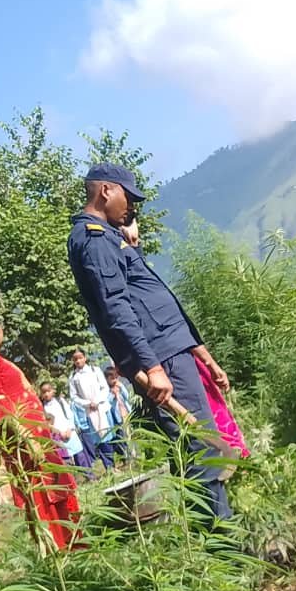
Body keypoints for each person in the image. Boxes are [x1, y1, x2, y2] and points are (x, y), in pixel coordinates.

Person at [66, 164, 233, 521]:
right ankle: (225, 548)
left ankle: (219, 539)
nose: (131, 207)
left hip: (170, 351)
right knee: (200, 452)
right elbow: (116, 308)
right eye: (129, 197)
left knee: (198, 449)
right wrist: (152, 367)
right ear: (106, 191)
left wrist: (131, 246)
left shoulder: (109, 237)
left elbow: (144, 292)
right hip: (161, 358)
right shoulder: (93, 238)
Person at [0, 312, 81, 551]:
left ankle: (71, 544)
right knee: (41, 493)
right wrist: (29, 442)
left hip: (34, 434)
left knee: (54, 487)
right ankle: (56, 550)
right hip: (25, 439)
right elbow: (0, 405)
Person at [39, 379, 97, 476]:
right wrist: (59, 433)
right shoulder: (43, 408)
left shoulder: (60, 401)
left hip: (70, 432)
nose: (46, 394)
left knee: (80, 456)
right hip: (58, 436)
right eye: (44, 392)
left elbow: (70, 415)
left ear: (53, 390)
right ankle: (73, 482)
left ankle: (90, 476)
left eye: (48, 391)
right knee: (66, 460)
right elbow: (48, 424)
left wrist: (70, 429)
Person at [67, 348, 110, 459]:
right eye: (75, 359)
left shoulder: (94, 370)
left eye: (80, 358)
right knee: (98, 438)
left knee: (109, 434)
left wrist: (97, 401)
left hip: (102, 407)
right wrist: (87, 403)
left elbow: (104, 387)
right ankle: (109, 466)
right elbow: (74, 396)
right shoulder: (73, 377)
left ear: (85, 358)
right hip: (89, 411)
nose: (78, 361)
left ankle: (118, 460)